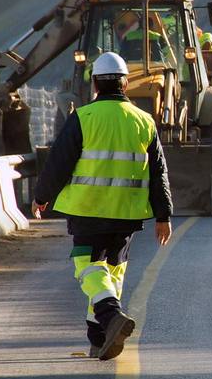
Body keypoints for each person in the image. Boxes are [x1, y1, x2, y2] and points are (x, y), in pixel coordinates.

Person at [32, 51, 173, 361]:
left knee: (88, 268)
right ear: (125, 83)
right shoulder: (144, 121)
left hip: (87, 212)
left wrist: (42, 197)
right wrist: (163, 216)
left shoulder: (83, 118)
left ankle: (110, 316)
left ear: (95, 83)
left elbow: (58, 164)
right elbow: (158, 172)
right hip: (127, 213)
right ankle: (99, 338)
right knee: (112, 270)